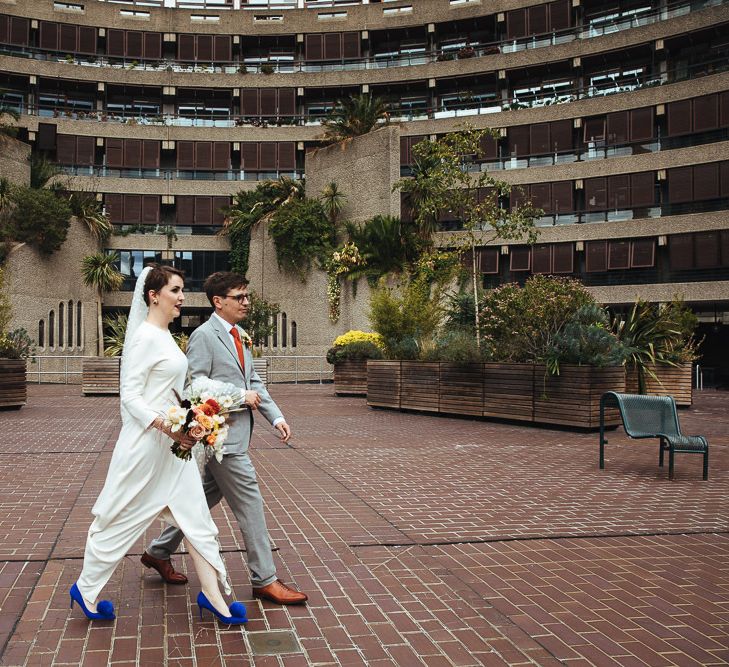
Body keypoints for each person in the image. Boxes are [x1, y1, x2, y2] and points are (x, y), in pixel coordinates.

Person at [70, 265, 247, 625]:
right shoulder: (143, 338)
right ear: (154, 296)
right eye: (176, 290)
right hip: (145, 448)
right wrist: (169, 427)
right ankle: (86, 589)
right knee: (118, 519)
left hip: (175, 453)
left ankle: (214, 598)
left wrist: (195, 418)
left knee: (198, 521)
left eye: (182, 290)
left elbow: (169, 391)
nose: (182, 297)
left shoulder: (166, 336)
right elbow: (131, 398)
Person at [142, 271, 308, 605]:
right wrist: (237, 395)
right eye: (239, 297)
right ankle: (265, 579)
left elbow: (255, 381)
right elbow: (196, 385)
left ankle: (157, 552)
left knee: (200, 501)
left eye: (248, 296)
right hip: (222, 440)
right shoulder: (204, 336)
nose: (246, 302)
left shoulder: (241, 335)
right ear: (219, 302)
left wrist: (276, 417)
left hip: (235, 437)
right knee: (251, 506)